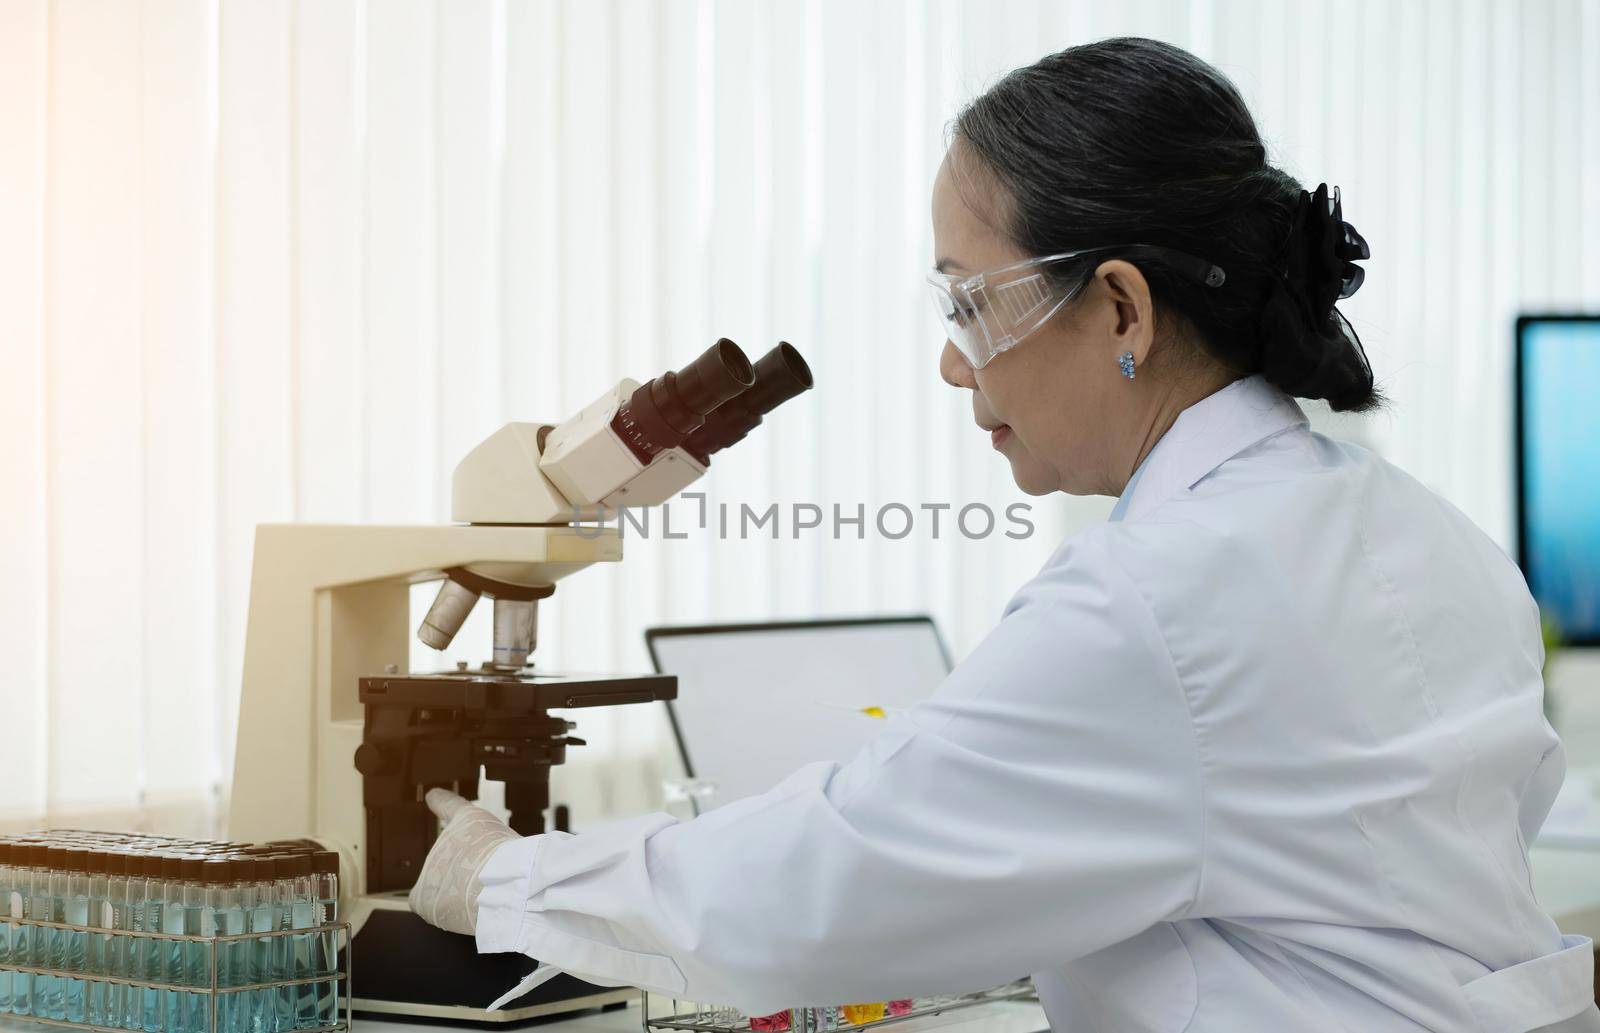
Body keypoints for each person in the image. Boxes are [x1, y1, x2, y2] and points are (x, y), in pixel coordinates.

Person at [410, 37, 1598, 1032]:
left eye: (969, 303)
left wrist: (506, 878)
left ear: (1121, 307)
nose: (947, 358)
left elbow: (833, 878)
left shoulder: (1158, 595)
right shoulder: (1431, 535)